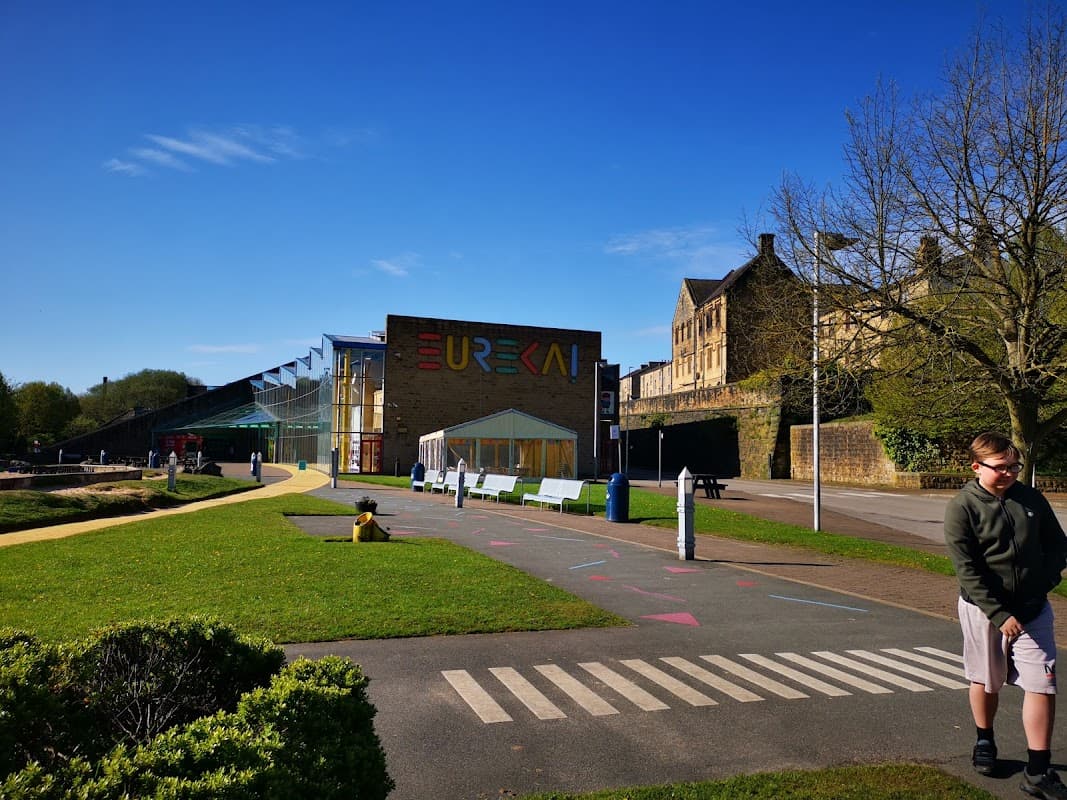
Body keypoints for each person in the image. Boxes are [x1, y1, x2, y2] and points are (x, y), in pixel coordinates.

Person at [944, 432, 1067, 798]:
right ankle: (985, 739)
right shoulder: (962, 507)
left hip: (1032, 610)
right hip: (983, 610)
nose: (1010, 474)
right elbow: (966, 570)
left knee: (1043, 681)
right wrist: (998, 613)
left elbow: (1058, 545)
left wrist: (1043, 584)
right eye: (1001, 468)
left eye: (1015, 466)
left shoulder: (1030, 498)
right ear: (976, 467)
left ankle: (1038, 770)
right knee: (987, 679)